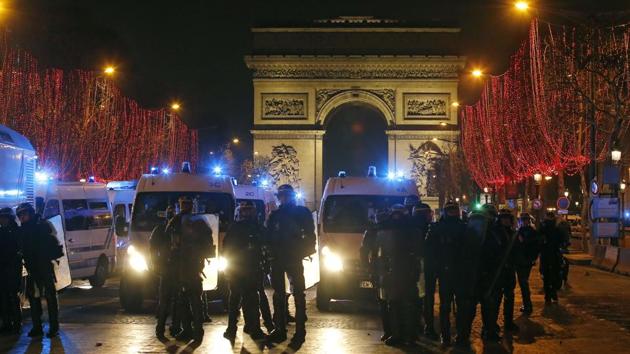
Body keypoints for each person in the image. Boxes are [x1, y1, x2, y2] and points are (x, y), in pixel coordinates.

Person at [265, 184, 315, 345]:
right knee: (279, 295)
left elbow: (309, 235)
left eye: (286, 196)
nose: (284, 198)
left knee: (298, 295)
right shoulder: (275, 215)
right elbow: (269, 236)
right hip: (278, 259)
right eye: (282, 196)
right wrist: (269, 254)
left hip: (293, 258)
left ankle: (300, 332)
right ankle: (280, 330)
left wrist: (303, 251)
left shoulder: (302, 213)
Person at [367, 205, 418, 346]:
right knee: (399, 304)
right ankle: (406, 334)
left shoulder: (386, 230)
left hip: (397, 271)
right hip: (399, 272)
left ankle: (400, 334)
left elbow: (378, 251)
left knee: (396, 304)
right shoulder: (409, 229)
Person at [166, 196, 214, 343]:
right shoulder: (200, 221)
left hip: (183, 266)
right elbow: (209, 243)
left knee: (184, 299)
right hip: (195, 265)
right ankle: (197, 331)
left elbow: (169, 238)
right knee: (195, 299)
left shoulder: (177, 221)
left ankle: (188, 330)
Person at [17, 202, 63, 338]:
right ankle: (37, 327)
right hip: (32, 268)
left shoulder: (41, 225)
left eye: (24, 214)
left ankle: (54, 327)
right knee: (33, 298)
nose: (22, 217)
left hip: (44, 266)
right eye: (20, 215)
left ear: (30, 213)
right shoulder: (23, 229)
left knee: (50, 296)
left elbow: (53, 242)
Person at [222, 201, 266, 341]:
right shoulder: (236, 227)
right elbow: (227, 248)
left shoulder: (257, 227)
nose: (246, 213)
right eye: (244, 210)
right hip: (238, 268)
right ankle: (232, 328)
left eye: (249, 210)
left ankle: (253, 328)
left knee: (251, 300)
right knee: (236, 299)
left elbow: (265, 245)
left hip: (251, 268)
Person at [425, 201, 466, 345]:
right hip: (451, 272)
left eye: (454, 210)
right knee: (450, 306)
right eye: (451, 210)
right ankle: (451, 336)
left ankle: (453, 336)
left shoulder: (441, 227)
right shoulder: (462, 227)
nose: (453, 213)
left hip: (452, 272)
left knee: (451, 306)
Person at [151, 206, 179, 339]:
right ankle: (162, 328)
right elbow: (152, 248)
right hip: (169, 269)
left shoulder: (176, 229)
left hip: (174, 269)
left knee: (171, 300)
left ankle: (169, 327)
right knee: (167, 300)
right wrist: (155, 263)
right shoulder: (161, 230)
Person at [495, 209, 519, 333]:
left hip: (509, 271)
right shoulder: (495, 234)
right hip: (498, 271)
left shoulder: (513, 234)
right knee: (497, 298)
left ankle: (508, 322)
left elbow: (517, 252)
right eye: (503, 218)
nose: (506, 220)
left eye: (508, 218)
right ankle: (492, 324)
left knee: (509, 297)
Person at [410, 202, 432, 337]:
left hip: (413, 266)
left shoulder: (409, 228)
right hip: (427, 265)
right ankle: (428, 328)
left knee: (415, 297)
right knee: (426, 298)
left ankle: (416, 325)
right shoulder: (429, 228)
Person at [0, 208, 22, 334]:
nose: (2, 220)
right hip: (3, 269)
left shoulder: (16, 232)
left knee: (13, 296)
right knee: (3, 297)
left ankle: (16, 323)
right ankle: (7, 323)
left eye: (3, 218)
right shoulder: (2, 231)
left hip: (12, 269)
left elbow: (18, 251)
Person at [514, 213, 540, 314]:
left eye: (525, 220)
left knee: (523, 283)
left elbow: (535, 246)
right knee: (523, 283)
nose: (524, 221)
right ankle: (527, 304)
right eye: (523, 220)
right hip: (522, 261)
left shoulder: (530, 232)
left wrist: (523, 241)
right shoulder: (522, 231)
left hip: (525, 261)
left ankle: (528, 305)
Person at [539, 212, 564, 304]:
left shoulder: (543, 226)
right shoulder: (556, 227)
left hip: (546, 255)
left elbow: (539, 239)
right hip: (554, 255)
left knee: (546, 276)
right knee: (554, 275)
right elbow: (562, 239)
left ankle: (548, 297)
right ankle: (553, 294)